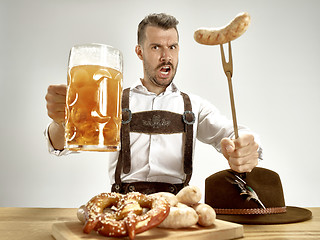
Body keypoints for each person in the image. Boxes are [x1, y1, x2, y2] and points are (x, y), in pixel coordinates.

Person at [45, 13, 262, 194]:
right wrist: (62, 121)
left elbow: (231, 133)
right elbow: (60, 145)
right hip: (122, 205)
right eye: (156, 47)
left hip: (178, 206)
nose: (166, 56)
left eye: (173, 47)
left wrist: (247, 145)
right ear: (140, 52)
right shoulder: (112, 100)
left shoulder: (194, 106)